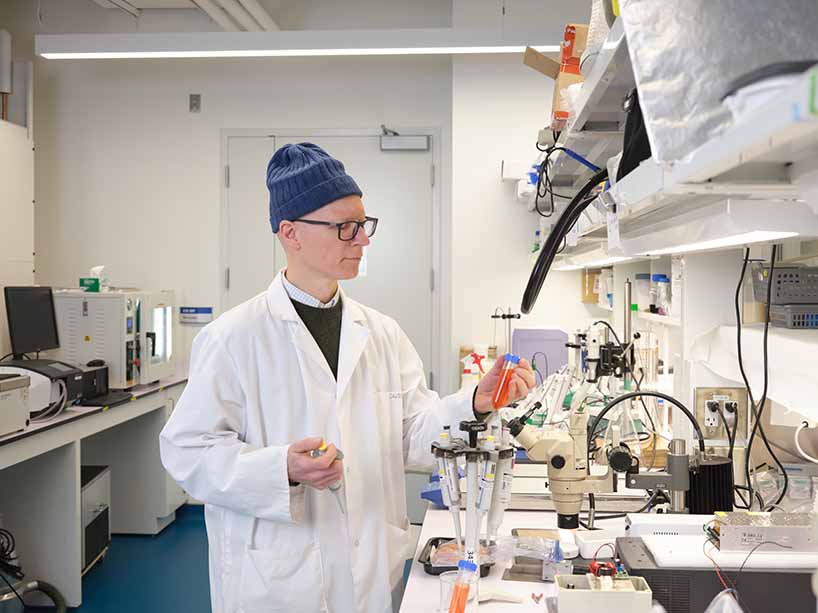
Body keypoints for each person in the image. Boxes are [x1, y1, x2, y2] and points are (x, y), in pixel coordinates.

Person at [160, 143, 535, 613]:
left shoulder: (381, 333)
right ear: (290, 233)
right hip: (275, 579)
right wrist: (282, 470)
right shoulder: (232, 338)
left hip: (369, 571)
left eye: (364, 225)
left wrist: (475, 401)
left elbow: (413, 434)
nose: (363, 240)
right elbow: (187, 449)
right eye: (345, 227)